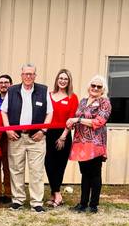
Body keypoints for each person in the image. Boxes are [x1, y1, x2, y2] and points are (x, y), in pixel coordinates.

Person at [1, 63, 53, 213]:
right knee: (16, 169)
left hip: (36, 138)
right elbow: (3, 112)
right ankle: (17, 200)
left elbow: (50, 113)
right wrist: (8, 129)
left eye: (31, 74)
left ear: (35, 76)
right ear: (21, 75)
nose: (28, 76)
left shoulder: (43, 90)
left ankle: (36, 202)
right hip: (16, 137)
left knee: (36, 171)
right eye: (26, 74)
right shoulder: (12, 90)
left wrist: (43, 130)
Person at [67, 75, 111, 214]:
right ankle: (82, 203)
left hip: (95, 143)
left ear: (103, 89)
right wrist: (73, 122)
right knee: (85, 173)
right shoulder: (83, 101)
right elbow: (77, 118)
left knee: (95, 174)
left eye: (99, 86)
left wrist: (77, 120)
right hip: (81, 142)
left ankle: (93, 205)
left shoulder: (105, 103)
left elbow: (99, 122)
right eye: (93, 85)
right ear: (89, 87)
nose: (95, 88)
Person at [45, 69, 79, 208]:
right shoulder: (49, 95)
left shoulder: (72, 97)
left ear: (69, 81)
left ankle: (56, 195)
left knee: (59, 165)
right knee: (48, 163)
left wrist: (63, 137)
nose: (63, 81)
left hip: (63, 134)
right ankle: (56, 193)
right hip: (49, 133)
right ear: (57, 80)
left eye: (65, 79)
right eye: (61, 78)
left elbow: (71, 119)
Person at [0, 74, 13, 203]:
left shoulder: (14, 99)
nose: (4, 85)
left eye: (6, 82)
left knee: (7, 165)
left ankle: (8, 193)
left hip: (8, 136)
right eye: (1, 82)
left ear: (11, 84)